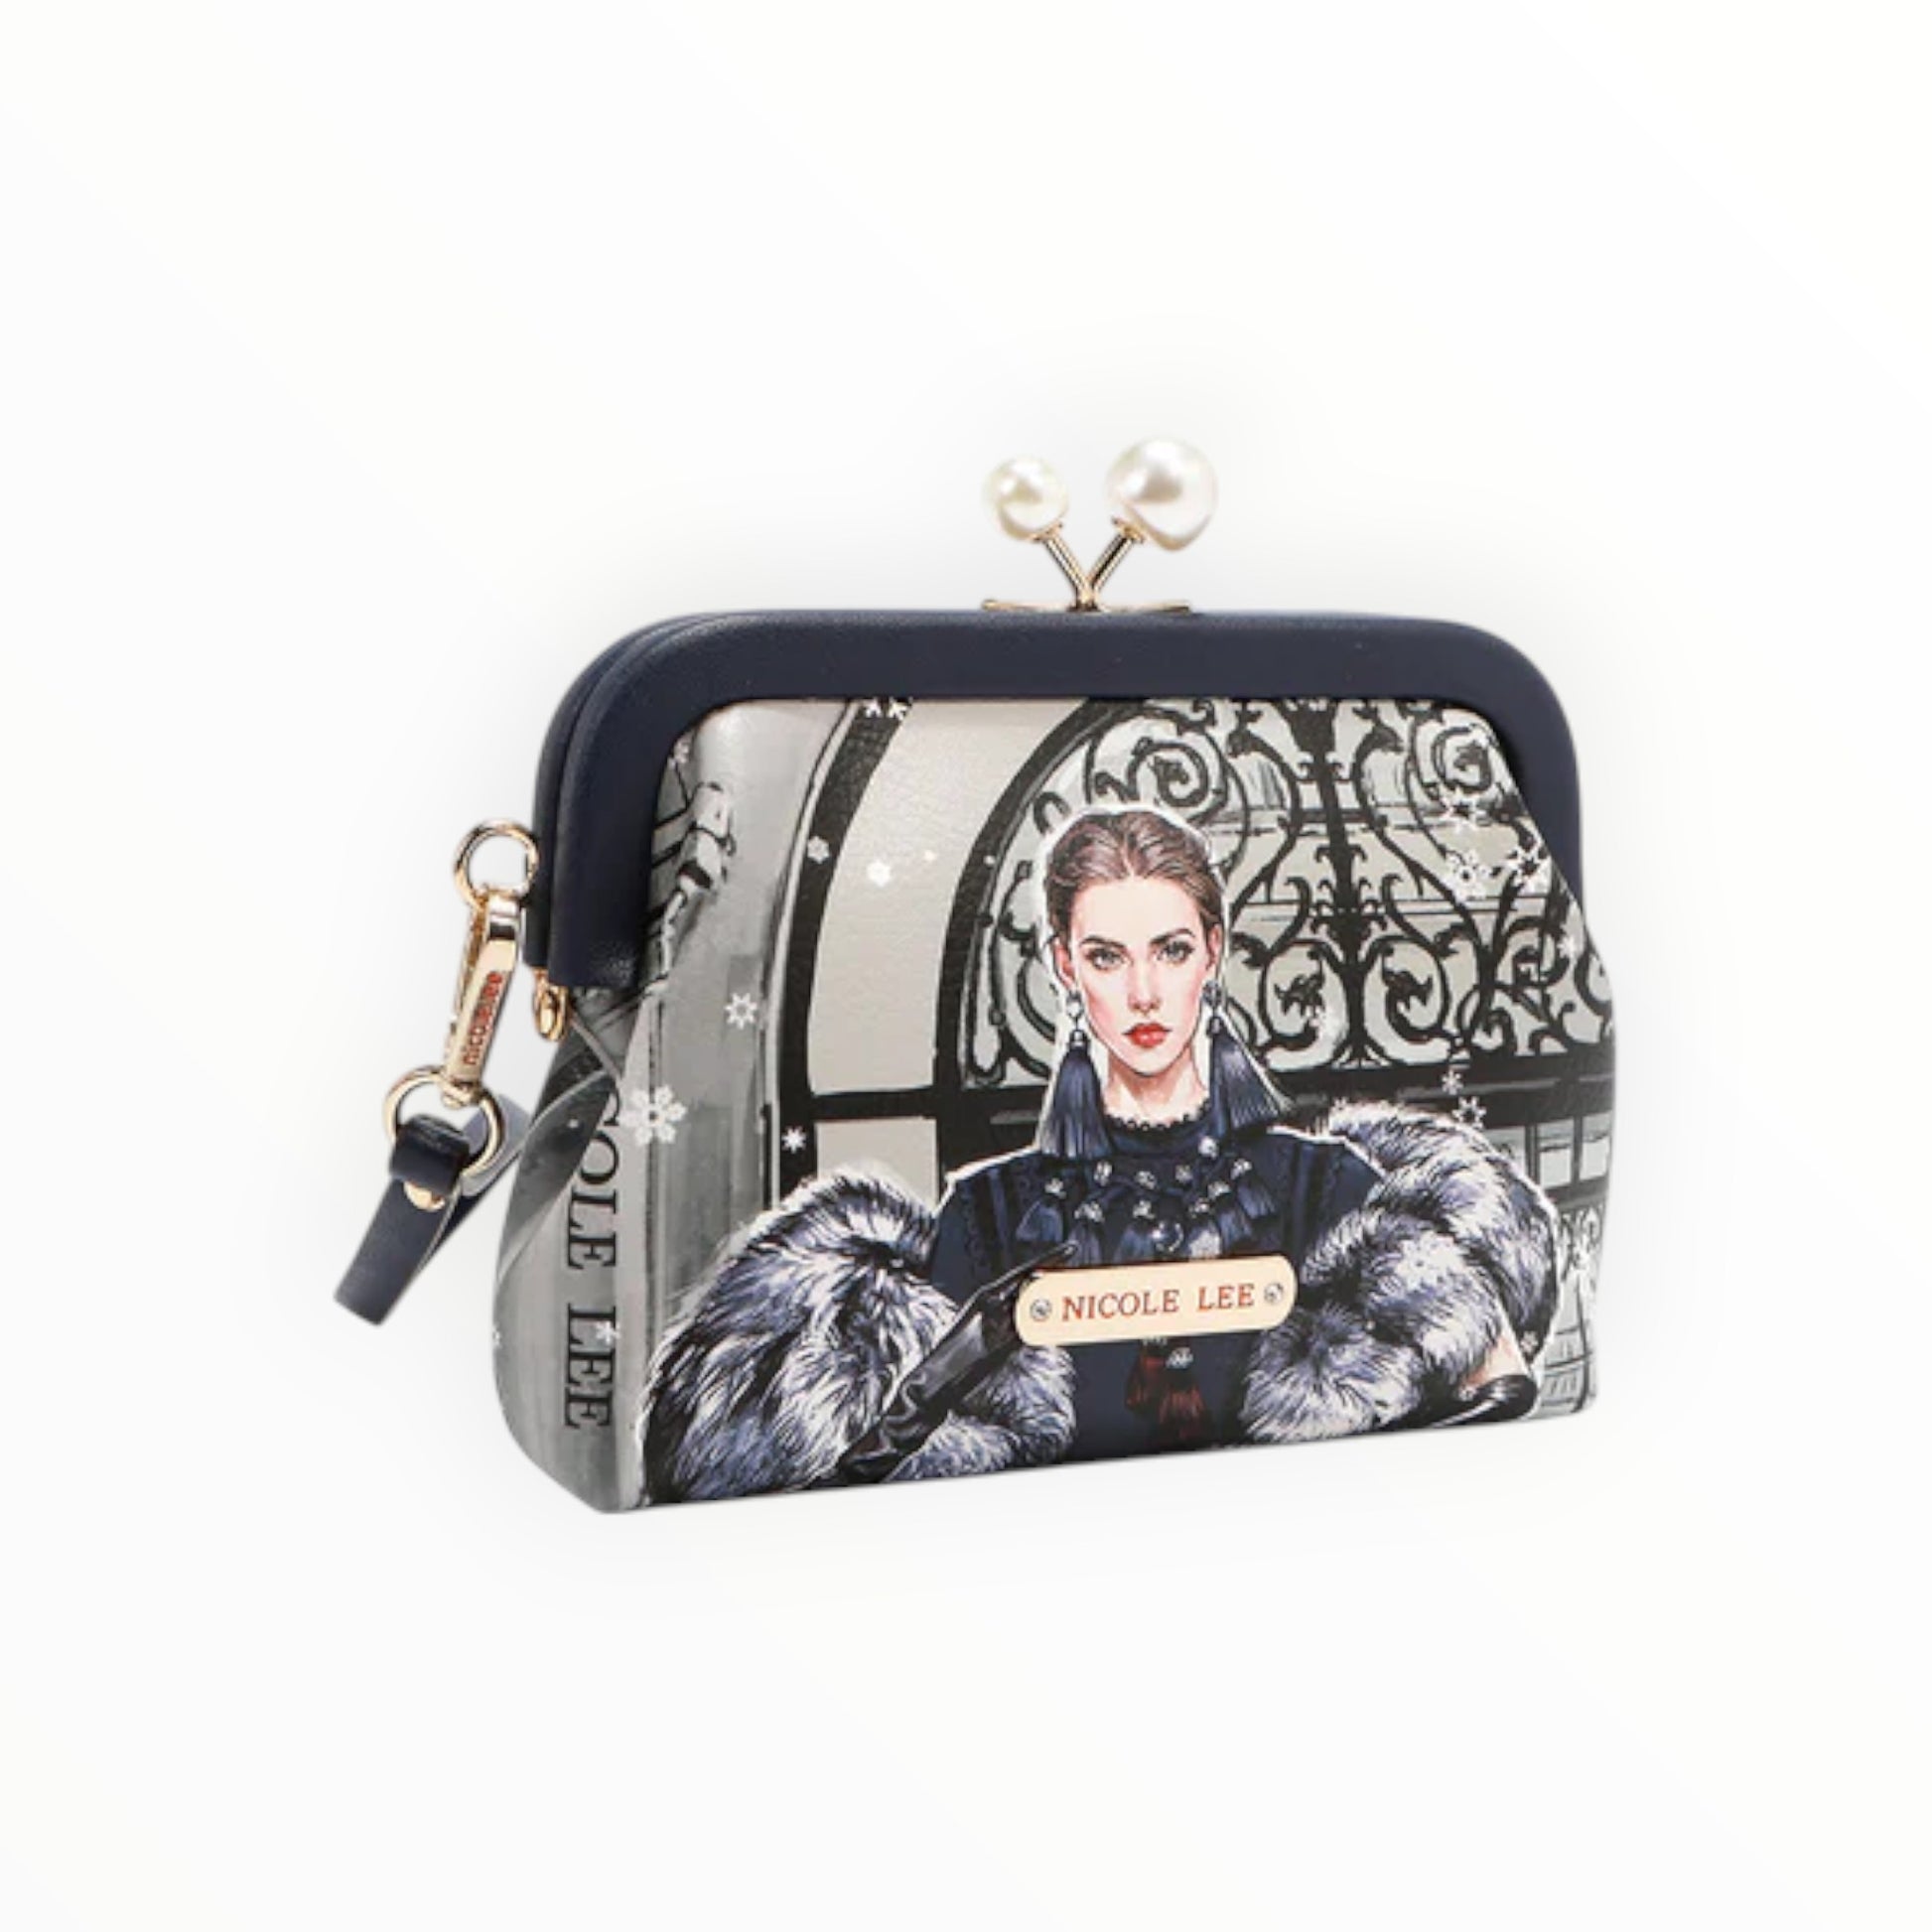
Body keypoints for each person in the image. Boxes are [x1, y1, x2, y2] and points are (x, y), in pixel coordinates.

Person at [927, 806, 1380, 1459]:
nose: (1144, 992)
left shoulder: (1327, 1188)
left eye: (1172, 951)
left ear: (1213, 951)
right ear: (1065, 965)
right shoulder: (988, 1213)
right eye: (1107, 957)